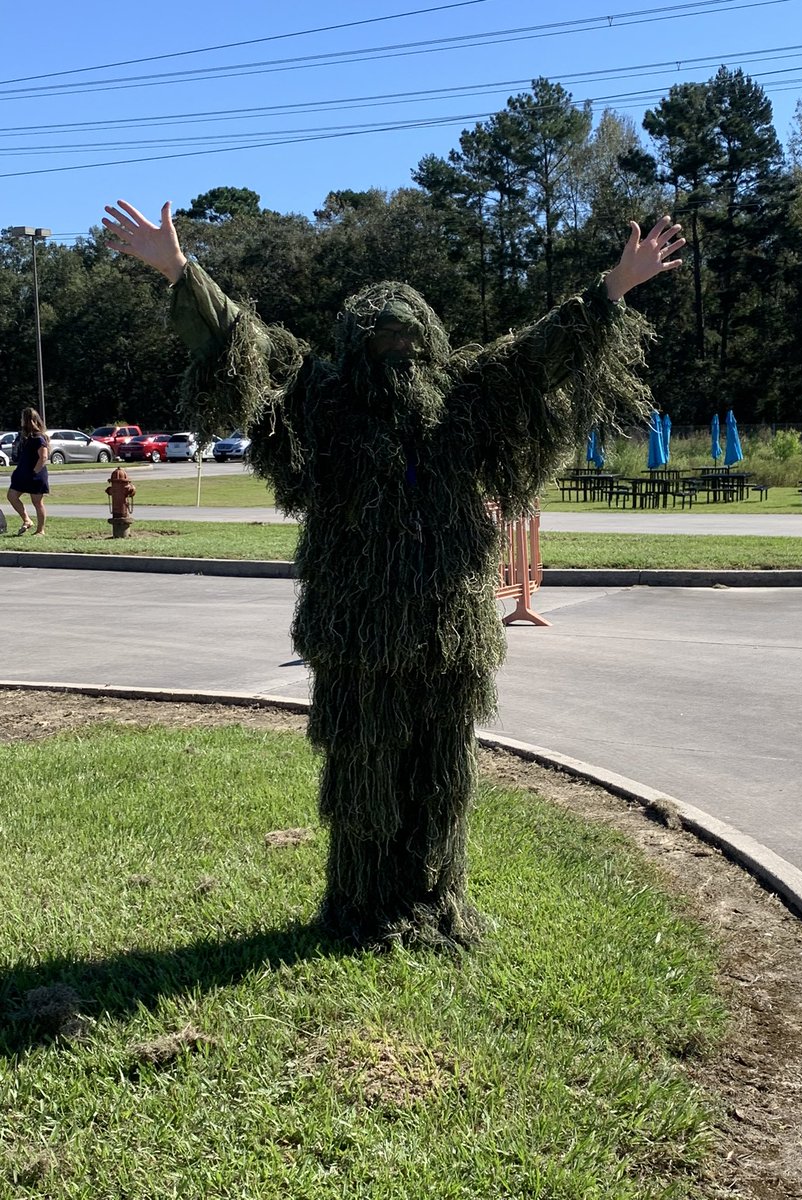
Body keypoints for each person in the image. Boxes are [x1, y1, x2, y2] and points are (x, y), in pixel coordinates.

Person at [102, 198, 683, 949]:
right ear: (352, 346)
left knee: (443, 777)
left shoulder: (466, 397)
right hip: (357, 633)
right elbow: (242, 345)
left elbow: (541, 355)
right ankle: (359, 907)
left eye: (408, 341)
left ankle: (436, 902)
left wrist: (612, 289)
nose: (396, 354)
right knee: (363, 780)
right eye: (381, 342)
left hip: (451, 631)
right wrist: (182, 270)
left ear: (431, 342)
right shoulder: (323, 396)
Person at [7, 406, 50, 536]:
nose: (21, 421)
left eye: (22, 418)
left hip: (35, 475)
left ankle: (40, 530)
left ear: (28, 420)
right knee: (12, 496)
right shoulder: (27, 437)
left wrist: (35, 472)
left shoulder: (38, 438)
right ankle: (27, 520)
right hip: (23, 474)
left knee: (37, 502)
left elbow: (43, 457)